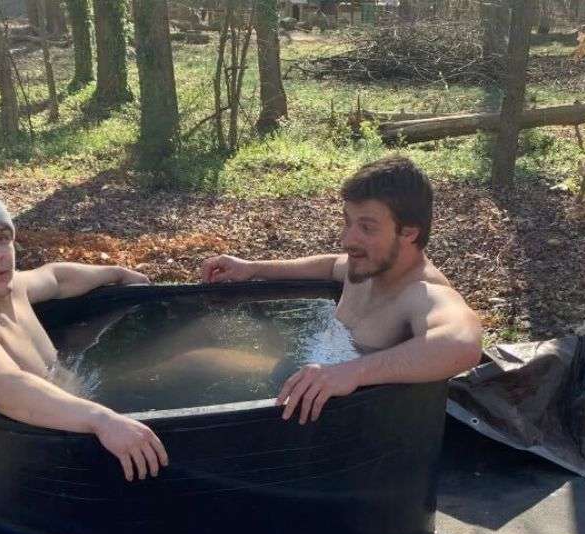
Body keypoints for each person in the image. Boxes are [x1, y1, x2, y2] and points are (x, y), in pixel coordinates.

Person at [0, 174, 167, 482]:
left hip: (79, 411)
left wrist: (116, 274)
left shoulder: (10, 290)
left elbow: (57, 278)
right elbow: (6, 388)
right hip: (51, 461)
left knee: (202, 356)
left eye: (1, 237)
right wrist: (101, 420)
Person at [201, 156, 482, 425]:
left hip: (341, 422)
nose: (348, 240)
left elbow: (462, 343)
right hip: (303, 381)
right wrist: (252, 268)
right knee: (192, 360)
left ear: (409, 233)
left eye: (367, 227)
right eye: (348, 222)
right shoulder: (367, 266)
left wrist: (353, 373)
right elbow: (330, 265)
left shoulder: (422, 293)